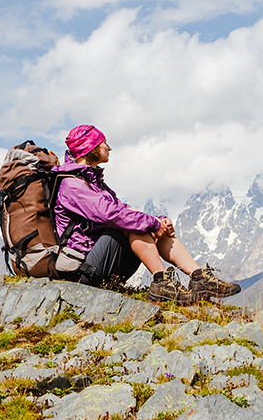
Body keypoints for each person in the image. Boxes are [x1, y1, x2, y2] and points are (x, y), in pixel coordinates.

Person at [51, 124, 240, 305]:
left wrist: (159, 222)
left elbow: (123, 209)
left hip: (101, 264)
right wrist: (151, 223)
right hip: (82, 271)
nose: (109, 147)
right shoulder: (73, 185)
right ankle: (161, 282)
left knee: (143, 224)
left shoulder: (91, 182)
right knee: (133, 225)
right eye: (104, 143)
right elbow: (112, 215)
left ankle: (199, 278)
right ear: (90, 148)